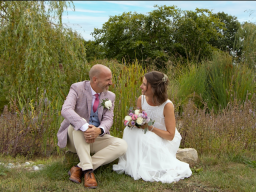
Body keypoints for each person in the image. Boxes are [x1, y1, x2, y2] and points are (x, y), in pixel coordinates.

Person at [113, 71, 192, 183]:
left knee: (142, 136)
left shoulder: (167, 105)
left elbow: (170, 136)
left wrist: (149, 128)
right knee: (129, 130)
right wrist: (133, 122)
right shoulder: (142, 99)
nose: (141, 86)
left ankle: (150, 163)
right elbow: (140, 121)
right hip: (147, 134)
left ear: (155, 88)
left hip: (165, 139)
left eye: (145, 84)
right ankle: (135, 162)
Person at [57, 64, 127, 189]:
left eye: (110, 79)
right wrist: (85, 127)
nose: (110, 83)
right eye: (107, 80)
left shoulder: (110, 96)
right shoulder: (77, 88)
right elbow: (66, 110)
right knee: (79, 123)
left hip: (96, 137)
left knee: (122, 145)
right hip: (75, 138)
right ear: (95, 79)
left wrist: (98, 130)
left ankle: (78, 168)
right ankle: (88, 172)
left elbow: (108, 119)